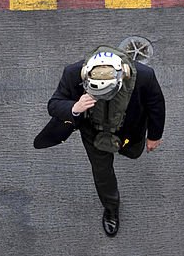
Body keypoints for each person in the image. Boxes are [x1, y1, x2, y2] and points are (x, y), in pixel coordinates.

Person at [34, 46, 166, 237]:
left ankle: (124, 149)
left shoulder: (145, 76)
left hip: (128, 130)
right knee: (102, 172)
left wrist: (154, 136)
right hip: (93, 132)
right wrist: (75, 107)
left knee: (132, 152)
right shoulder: (72, 73)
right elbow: (54, 104)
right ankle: (111, 208)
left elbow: (156, 105)